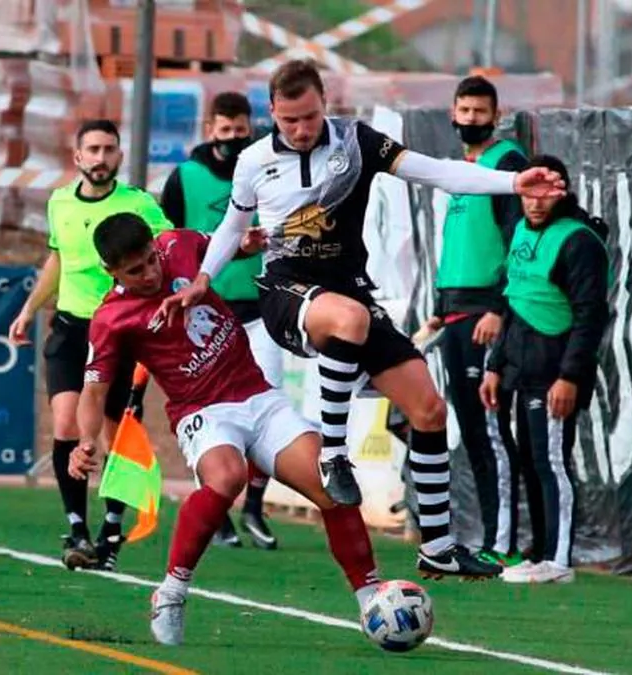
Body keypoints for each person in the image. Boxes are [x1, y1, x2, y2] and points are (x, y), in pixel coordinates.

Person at [156, 58, 566, 581]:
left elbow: (435, 172)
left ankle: (437, 545)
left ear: (326, 103)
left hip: (349, 288)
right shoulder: (255, 160)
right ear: (274, 115)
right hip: (286, 289)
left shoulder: (357, 142)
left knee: (429, 408)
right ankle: (333, 456)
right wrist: (202, 280)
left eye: (308, 117)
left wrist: (514, 182)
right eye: (288, 121)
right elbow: (233, 228)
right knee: (348, 320)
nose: (300, 130)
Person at [69, 215, 384, 646]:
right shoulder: (111, 317)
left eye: (149, 261)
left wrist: (248, 243)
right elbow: (93, 390)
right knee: (228, 477)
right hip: (203, 412)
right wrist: (86, 440)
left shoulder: (176, 245)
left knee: (330, 485)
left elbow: (222, 247)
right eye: (134, 271)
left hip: (258, 396)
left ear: (154, 246)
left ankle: (372, 602)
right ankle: (172, 593)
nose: (149, 274)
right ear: (112, 272)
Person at [8, 119, 173, 572]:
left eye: (109, 149)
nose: (101, 158)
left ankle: (112, 530)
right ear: (77, 157)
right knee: (65, 424)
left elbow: (169, 251)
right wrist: (27, 309)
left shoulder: (138, 204)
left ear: (119, 156)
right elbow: (59, 258)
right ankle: (77, 527)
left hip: (120, 333)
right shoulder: (60, 202)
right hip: (71, 327)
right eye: (93, 150)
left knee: (115, 435)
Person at [478, 154, 612, 585]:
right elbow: (513, 300)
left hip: (556, 372)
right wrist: (496, 365)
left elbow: (591, 316)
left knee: (552, 461)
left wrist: (569, 376)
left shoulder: (580, 241)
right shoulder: (518, 230)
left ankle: (560, 560)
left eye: (546, 195)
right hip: (521, 366)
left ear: (563, 191)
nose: (535, 204)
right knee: (533, 460)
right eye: (529, 194)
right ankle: (538, 552)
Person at [414, 75, 528, 568]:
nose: (471, 119)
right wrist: (439, 306)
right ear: (452, 114)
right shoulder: (456, 169)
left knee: (493, 432)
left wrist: (499, 310)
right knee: (470, 432)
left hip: (486, 315)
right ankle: (486, 538)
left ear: (495, 116)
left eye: (481, 111)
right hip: (454, 315)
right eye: (464, 110)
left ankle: (505, 542)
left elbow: (518, 242)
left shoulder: (507, 165)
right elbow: (457, 245)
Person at [160, 90, 281, 551]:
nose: (233, 138)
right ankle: (217, 505)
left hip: (259, 310)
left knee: (268, 404)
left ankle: (254, 505)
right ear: (210, 129)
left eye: (240, 129)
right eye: (225, 130)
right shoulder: (185, 178)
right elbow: (168, 241)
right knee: (210, 413)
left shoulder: (263, 169)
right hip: (205, 317)